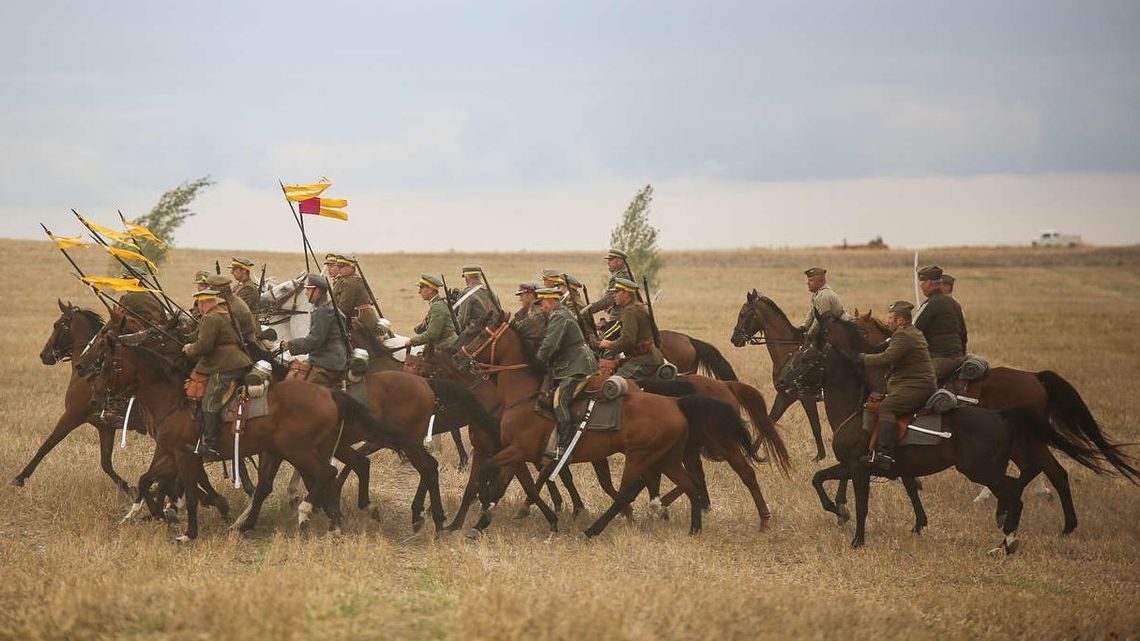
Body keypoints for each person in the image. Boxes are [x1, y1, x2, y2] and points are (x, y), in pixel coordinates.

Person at [854, 300, 937, 470]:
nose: (887, 320)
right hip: (913, 384)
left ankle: (885, 454)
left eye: (891, 317)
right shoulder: (909, 332)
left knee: (886, 407)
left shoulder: (903, 335)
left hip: (916, 387)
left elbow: (887, 358)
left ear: (901, 320)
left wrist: (861, 359)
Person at [181, 288, 252, 460]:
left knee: (210, 401)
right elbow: (200, 336)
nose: (198, 308)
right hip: (238, 360)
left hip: (225, 364)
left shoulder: (210, 318)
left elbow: (204, 346)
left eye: (199, 304)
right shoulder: (224, 313)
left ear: (204, 303)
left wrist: (189, 349)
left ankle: (210, 445)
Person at [535, 286, 598, 460]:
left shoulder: (559, 316)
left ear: (549, 301)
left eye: (542, 304)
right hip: (571, 364)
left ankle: (563, 445)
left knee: (559, 400)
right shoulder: (559, 314)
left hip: (578, 366)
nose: (541, 308)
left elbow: (550, 344)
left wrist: (537, 360)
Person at [281, 274, 348, 388]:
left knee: (305, 392)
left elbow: (314, 341)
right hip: (328, 356)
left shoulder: (324, 311)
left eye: (308, 289)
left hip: (327, 361)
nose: (306, 293)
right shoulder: (328, 307)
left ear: (317, 291)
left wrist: (290, 344)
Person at [598, 277, 662, 378]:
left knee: (612, 384)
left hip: (643, 361)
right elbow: (657, 336)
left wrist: (609, 344)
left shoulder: (630, 311)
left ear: (626, 293)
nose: (614, 295)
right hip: (649, 358)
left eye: (617, 292)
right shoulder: (640, 307)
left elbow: (628, 341)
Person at [913, 265, 968, 381]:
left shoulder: (930, 304)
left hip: (941, 358)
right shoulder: (954, 304)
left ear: (928, 283)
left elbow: (911, 332)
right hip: (959, 356)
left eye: (921, 283)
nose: (921, 287)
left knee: (916, 382)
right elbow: (964, 334)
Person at [331, 255, 389, 345]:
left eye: (342, 267)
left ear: (351, 267)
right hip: (359, 314)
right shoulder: (347, 280)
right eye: (338, 266)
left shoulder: (349, 282)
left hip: (361, 318)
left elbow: (344, 307)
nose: (338, 269)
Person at [581, 248, 634, 333]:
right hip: (623, 318)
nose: (608, 262)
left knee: (597, 343)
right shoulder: (626, 274)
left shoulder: (619, 277)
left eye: (611, 260)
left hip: (619, 320)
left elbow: (607, 300)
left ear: (620, 261)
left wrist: (588, 310)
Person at [406, 274, 458, 352]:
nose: (419, 292)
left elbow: (432, 334)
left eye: (421, 288)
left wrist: (411, 341)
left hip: (446, 347)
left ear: (430, 290)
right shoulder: (438, 304)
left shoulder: (437, 306)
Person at [206, 274, 258, 349]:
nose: (208, 291)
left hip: (240, 346)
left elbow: (218, 334)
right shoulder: (231, 301)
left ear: (218, 292)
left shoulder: (231, 308)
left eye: (211, 289)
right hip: (239, 341)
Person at [455, 265, 499, 331]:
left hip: (476, 335)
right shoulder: (492, 293)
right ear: (479, 277)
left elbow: (462, 321)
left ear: (467, 278)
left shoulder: (467, 293)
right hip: (493, 331)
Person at [514, 282, 547, 348]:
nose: (520, 299)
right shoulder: (525, 312)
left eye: (522, 296)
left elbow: (520, 331)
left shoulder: (538, 314)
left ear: (531, 295)